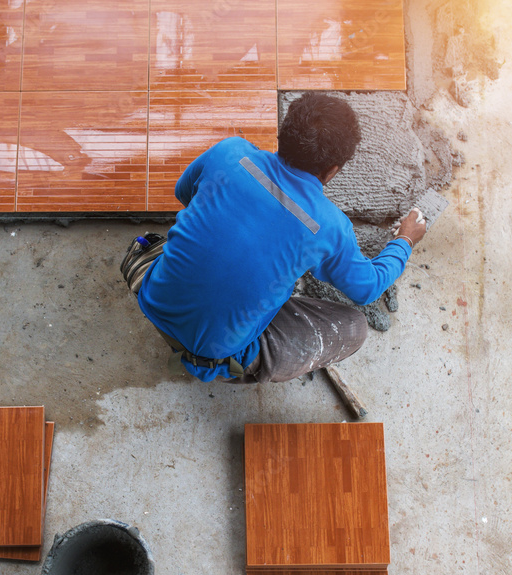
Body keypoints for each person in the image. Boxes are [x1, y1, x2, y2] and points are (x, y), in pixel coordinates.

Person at [123, 92, 427, 383]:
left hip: (153, 296)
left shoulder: (230, 152)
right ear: (332, 171)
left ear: (282, 136)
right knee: (354, 328)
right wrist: (405, 241)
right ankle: (226, 366)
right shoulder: (329, 227)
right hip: (210, 354)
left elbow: (183, 193)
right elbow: (367, 288)